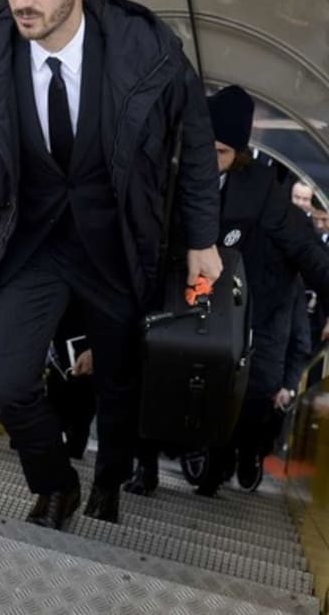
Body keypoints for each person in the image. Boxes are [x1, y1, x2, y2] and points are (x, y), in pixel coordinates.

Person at [0, 0, 222, 528]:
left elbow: (196, 142)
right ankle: (56, 483)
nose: (21, 0)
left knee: (119, 383)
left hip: (115, 240)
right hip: (33, 237)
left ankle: (111, 481)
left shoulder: (143, 46)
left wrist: (202, 238)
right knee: (10, 388)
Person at [126, 86, 329, 496]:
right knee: (153, 376)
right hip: (175, 303)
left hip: (237, 313)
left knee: (235, 394)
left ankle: (215, 475)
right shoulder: (169, 172)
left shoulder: (264, 193)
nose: (209, 160)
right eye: (205, 147)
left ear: (238, 154)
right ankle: (142, 468)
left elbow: (308, 252)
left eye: (220, 152)